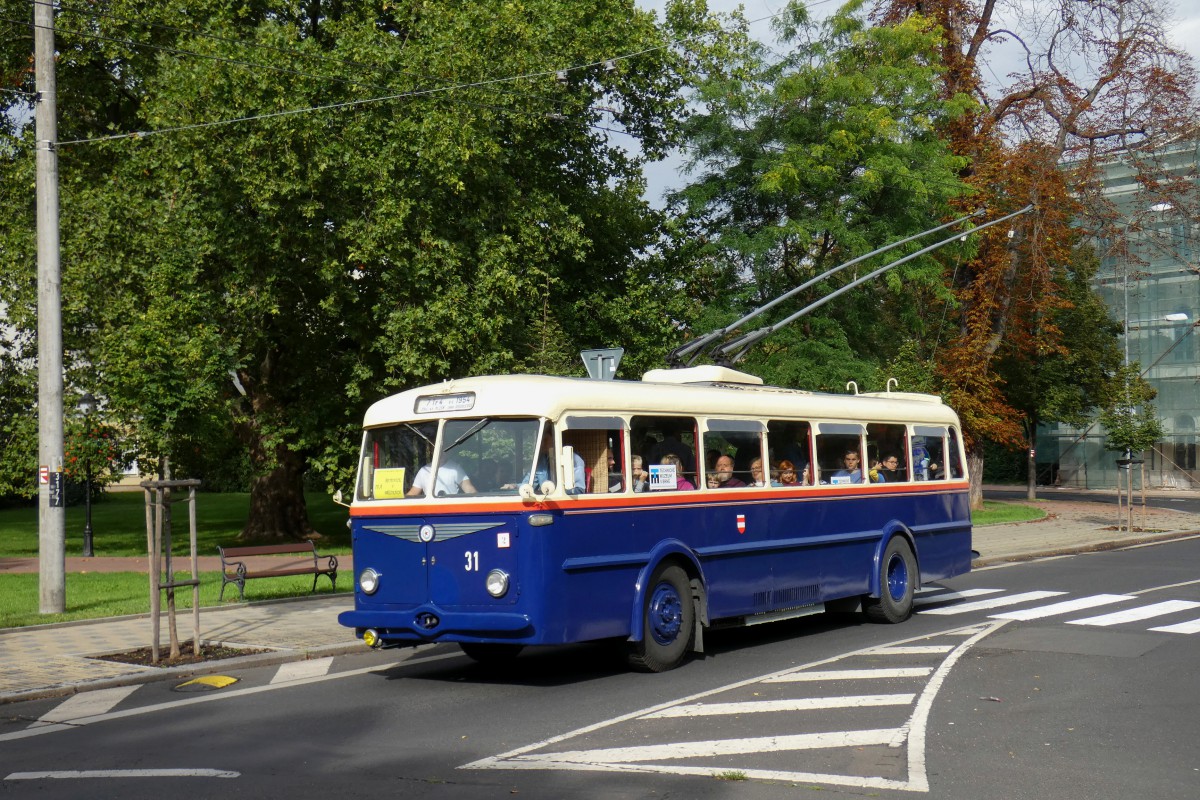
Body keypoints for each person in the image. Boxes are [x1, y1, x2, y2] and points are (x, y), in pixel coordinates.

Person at [408, 460, 476, 496]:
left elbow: (469, 489)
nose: (442, 452)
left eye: (444, 449)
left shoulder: (455, 468)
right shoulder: (424, 470)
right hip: (430, 511)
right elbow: (413, 492)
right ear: (433, 450)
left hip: (450, 510)